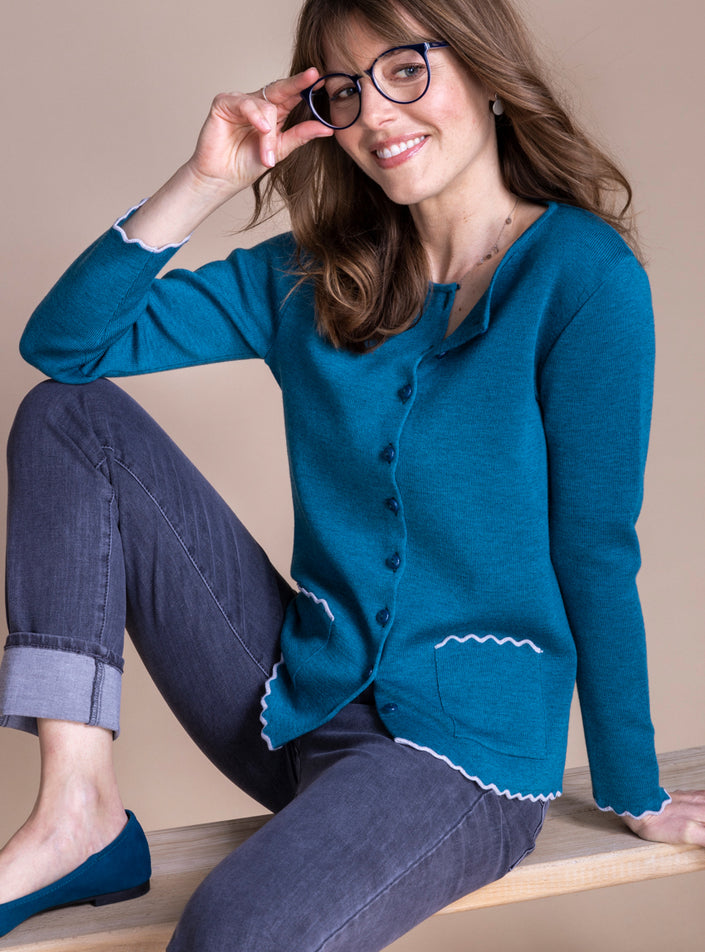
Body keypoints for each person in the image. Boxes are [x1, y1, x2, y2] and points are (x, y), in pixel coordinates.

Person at [1, 0, 703, 947]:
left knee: (233, 932)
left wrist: (633, 786)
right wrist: (204, 180)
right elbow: (65, 347)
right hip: (293, 699)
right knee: (68, 418)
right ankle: (76, 811)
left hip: (464, 757)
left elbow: (593, 549)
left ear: (486, 72)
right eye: (343, 90)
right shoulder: (315, 273)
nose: (374, 114)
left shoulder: (581, 276)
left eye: (405, 70)